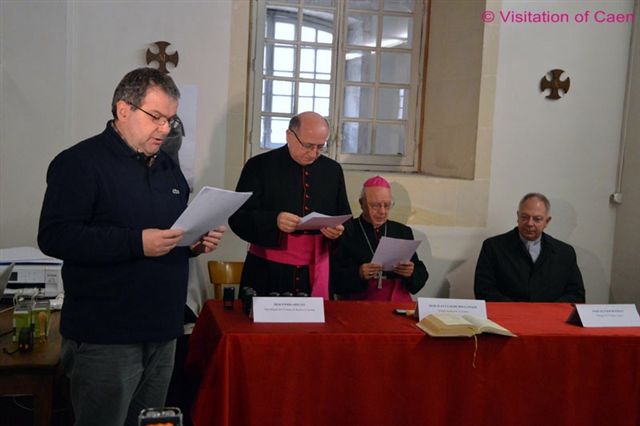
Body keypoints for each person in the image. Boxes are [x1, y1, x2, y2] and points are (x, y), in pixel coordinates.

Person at [38, 67, 225, 426]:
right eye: (156, 117)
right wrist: (136, 243)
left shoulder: (168, 168)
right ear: (123, 109)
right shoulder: (78, 163)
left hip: (163, 329)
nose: (165, 128)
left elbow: (170, 235)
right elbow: (55, 235)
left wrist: (193, 243)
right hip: (106, 335)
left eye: (171, 119)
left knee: (149, 422)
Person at [228, 111, 351, 298]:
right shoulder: (259, 166)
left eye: (320, 147)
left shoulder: (332, 170)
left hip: (317, 271)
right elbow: (238, 217)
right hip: (268, 270)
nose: (314, 154)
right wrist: (274, 220)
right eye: (308, 146)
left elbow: (345, 218)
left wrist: (337, 232)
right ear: (289, 135)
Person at [474, 192, 585, 302]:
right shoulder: (493, 247)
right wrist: (519, 312)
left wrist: (545, 312)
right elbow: (484, 291)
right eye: (525, 217)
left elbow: (576, 295)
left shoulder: (565, 252)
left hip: (550, 318)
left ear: (547, 221)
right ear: (518, 216)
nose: (530, 223)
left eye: (537, 219)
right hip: (507, 317)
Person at [331, 176, 428, 300]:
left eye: (387, 205)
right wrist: (358, 273)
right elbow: (333, 276)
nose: (382, 211)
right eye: (375, 206)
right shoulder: (346, 231)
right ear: (362, 204)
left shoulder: (402, 231)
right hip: (360, 301)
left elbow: (420, 273)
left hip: (397, 298)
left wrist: (411, 273)